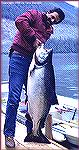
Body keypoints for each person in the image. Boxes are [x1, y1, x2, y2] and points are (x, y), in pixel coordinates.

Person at [4, 7, 65, 148]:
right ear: (49, 11)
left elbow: (38, 45)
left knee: (33, 98)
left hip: (33, 62)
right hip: (18, 58)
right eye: (53, 16)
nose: (52, 20)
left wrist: (36, 41)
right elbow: (20, 21)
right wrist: (34, 38)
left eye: (55, 20)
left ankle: (33, 132)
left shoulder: (49, 31)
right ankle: (9, 134)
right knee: (13, 97)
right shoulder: (34, 14)